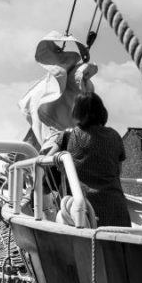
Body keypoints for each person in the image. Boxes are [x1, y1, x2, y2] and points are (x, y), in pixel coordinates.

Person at [48, 92, 131, 227]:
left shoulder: (68, 135)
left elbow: (46, 162)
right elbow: (117, 171)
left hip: (84, 212)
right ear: (102, 111)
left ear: (77, 111)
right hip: (116, 209)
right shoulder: (115, 136)